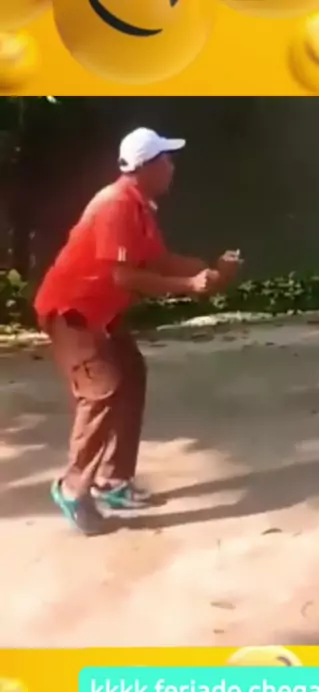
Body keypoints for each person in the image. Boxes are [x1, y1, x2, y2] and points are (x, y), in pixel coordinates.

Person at [34, 127, 243, 536]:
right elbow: (125, 276)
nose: (172, 167)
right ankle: (73, 487)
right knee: (101, 389)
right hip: (71, 312)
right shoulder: (115, 205)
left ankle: (113, 482)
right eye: (166, 159)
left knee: (130, 375)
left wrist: (210, 271)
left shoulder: (139, 206)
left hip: (100, 313)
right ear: (146, 167)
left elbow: (158, 260)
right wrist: (189, 285)